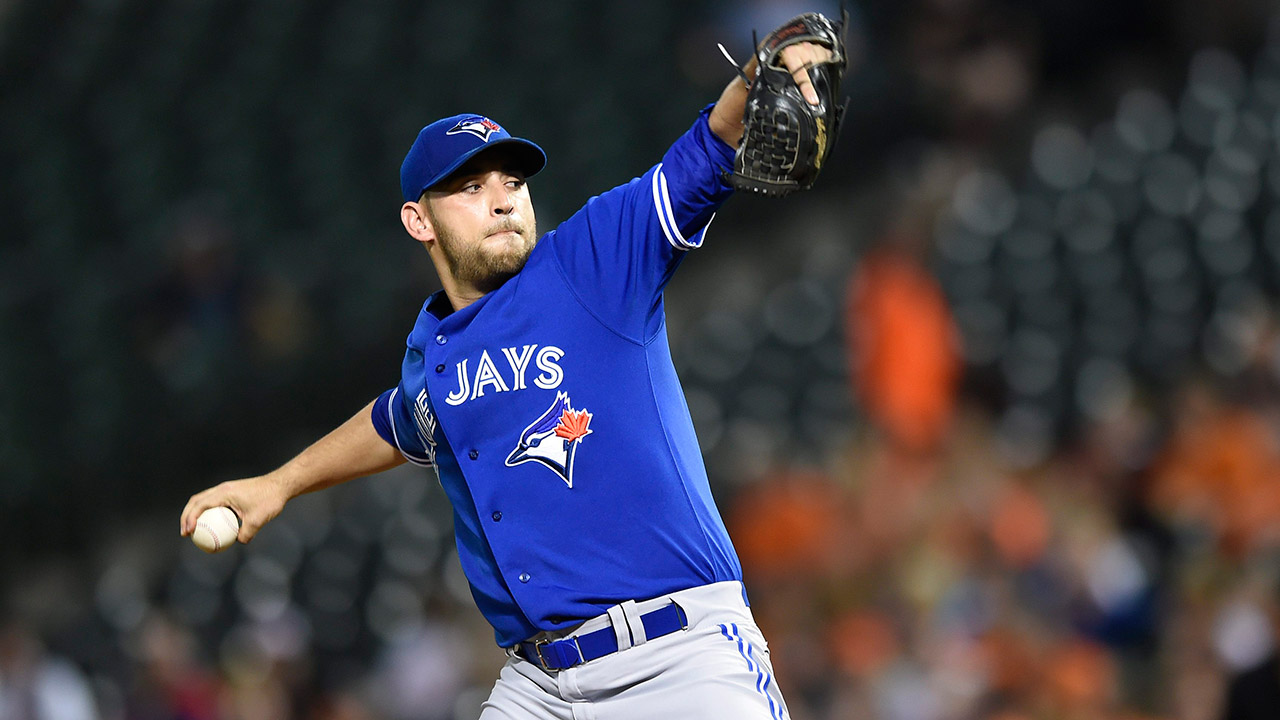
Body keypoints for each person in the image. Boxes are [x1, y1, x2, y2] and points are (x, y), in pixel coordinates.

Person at [181, 20, 837, 719]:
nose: (501, 198)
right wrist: (276, 485)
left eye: (512, 181)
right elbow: (397, 420)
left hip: (676, 659)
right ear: (418, 221)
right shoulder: (433, 350)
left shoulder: (591, 262)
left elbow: (703, 152)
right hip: (541, 686)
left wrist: (756, 71)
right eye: (469, 187)